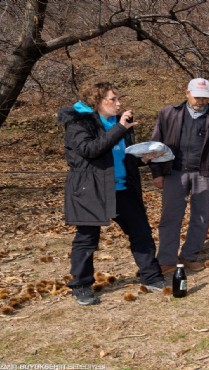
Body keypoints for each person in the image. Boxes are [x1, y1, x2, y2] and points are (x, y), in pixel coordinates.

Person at [58, 82, 168, 306]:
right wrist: (120, 128)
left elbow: (121, 157)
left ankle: (151, 276)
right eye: (113, 100)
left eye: (119, 99)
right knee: (87, 239)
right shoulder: (79, 122)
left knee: (141, 232)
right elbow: (91, 150)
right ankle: (80, 285)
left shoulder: (119, 124)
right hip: (91, 189)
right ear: (97, 101)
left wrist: (144, 158)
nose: (119, 104)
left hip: (122, 188)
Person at [149, 78, 209, 273]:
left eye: (205, 98)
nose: (201, 101)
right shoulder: (169, 113)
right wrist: (157, 172)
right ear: (187, 93)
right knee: (170, 216)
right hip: (174, 172)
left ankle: (190, 255)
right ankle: (167, 259)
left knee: (202, 217)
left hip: (206, 173)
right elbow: (155, 146)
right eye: (197, 97)